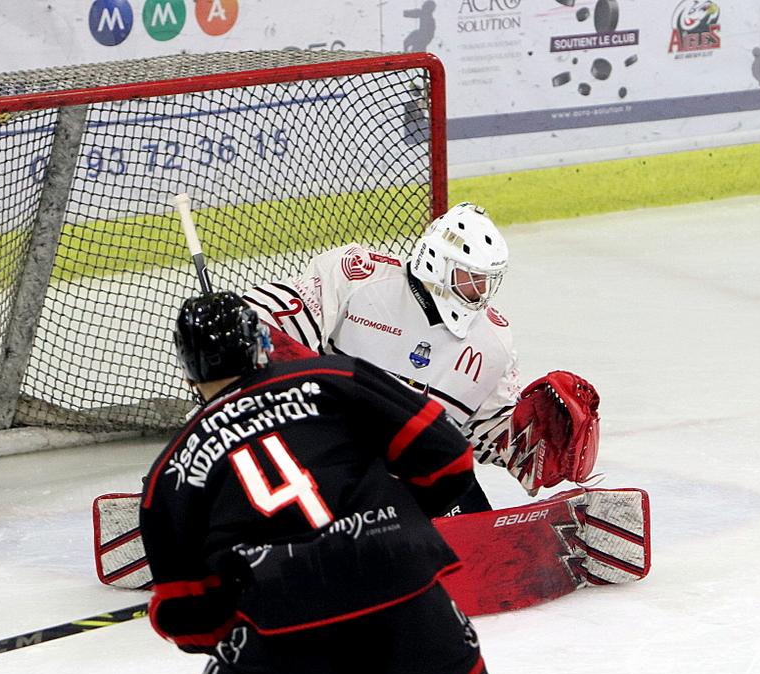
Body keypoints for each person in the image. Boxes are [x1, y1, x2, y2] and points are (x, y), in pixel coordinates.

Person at [141, 291, 496, 674]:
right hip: (403, 596)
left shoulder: (171, 471)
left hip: (287, 631)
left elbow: (189, 621)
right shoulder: (335, 376)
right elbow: (451, 462)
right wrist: (397, 516)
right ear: (262, 345)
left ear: (187, 370)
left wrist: (236, 601)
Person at [243, 202, 601, 514]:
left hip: (413, 464)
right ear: (436, 264)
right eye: (471, 278)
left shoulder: (493, 343)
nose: (481, 292)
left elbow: (486, 431)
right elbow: (264, 319)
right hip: (329, 452)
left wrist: (530, 444)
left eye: (488, 281)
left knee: (464, 505)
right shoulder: (358, 277)